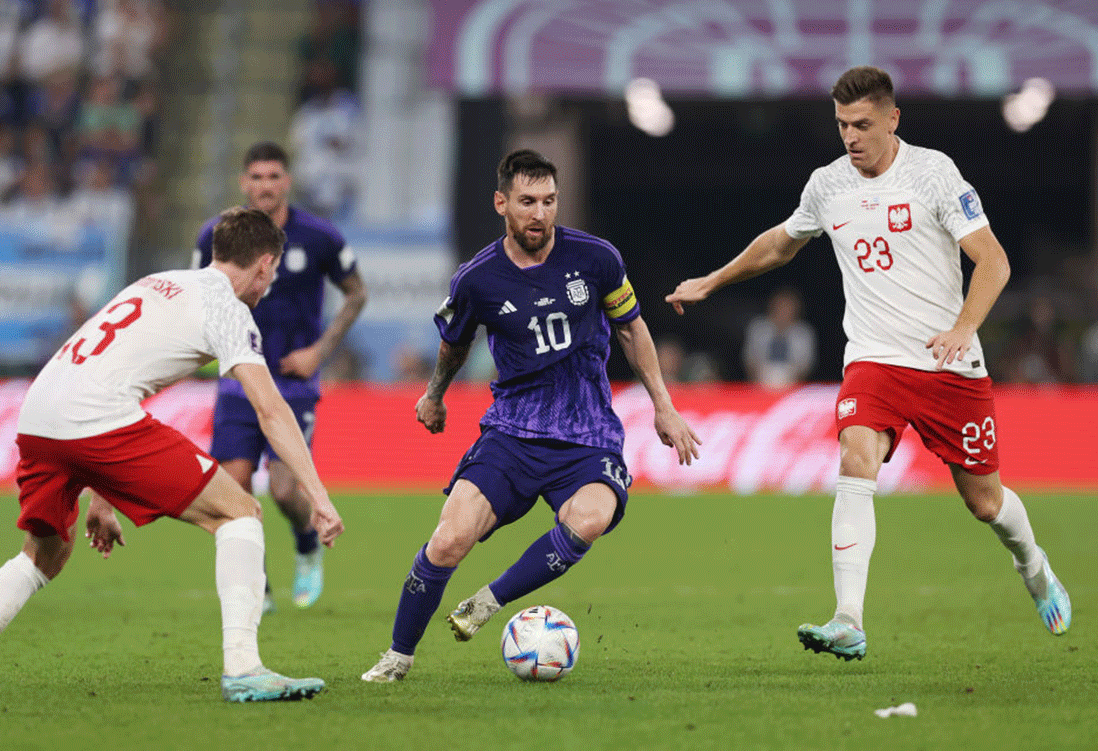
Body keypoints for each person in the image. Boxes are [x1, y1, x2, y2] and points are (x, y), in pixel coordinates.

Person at [667, 66, 1071, 661]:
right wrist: (715, 279)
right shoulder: (827, 184)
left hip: (946, 365)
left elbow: (994, 262)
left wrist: (964, 328)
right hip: (874, 361)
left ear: (892, 119)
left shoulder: (934, 173)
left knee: (984, 502)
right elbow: (783, 241)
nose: (850, 137)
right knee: (856, 455)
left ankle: (1033, 566)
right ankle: (848, 617)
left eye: (861, 125)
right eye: (840, 125)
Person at [0, 207, 344, 704]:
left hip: (38, 413)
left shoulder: (156, 282)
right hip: (93, 419)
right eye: (269, 276)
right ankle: (244, 668)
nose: (267, 287)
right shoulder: (228, 309)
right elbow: (271, 409)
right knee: (240, 512)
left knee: (44, 554)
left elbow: (113, 374)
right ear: (266, 265)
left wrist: (102, 495)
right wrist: (319, 495)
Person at [360, 149, 700, 682]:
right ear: (502, 204)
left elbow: (633, 329)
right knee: (448, 540)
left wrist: (664, 406)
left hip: (587, 432)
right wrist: (433, 395)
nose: (539, 213)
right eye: (527, 202)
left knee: (590, 518)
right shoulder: (477, 279)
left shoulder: (597, 259)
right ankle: (397, 657)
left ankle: (486, 603)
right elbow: (453, 345)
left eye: (548, 201)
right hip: (513, 432)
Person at [194, 141, 366, 611]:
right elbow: (197, 298)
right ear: (243, 183)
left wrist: (319, 352)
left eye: (273, 176)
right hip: (236, 382)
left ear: (287, 181)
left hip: (292, 383)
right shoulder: (216, 235)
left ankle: (308, 545)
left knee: (287, 489)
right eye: (256, 177)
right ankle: (257, 584)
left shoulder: (319, 236)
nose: (264, 185)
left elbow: (356, 294)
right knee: (234, 490)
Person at [741, 286, 816, 389]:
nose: (784, 311)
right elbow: (750, 359)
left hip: (791, 382)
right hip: (761, 381)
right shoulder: (758, 327)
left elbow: (805, 365)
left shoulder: (803, 332)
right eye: (781, 306)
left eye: (788, 307)